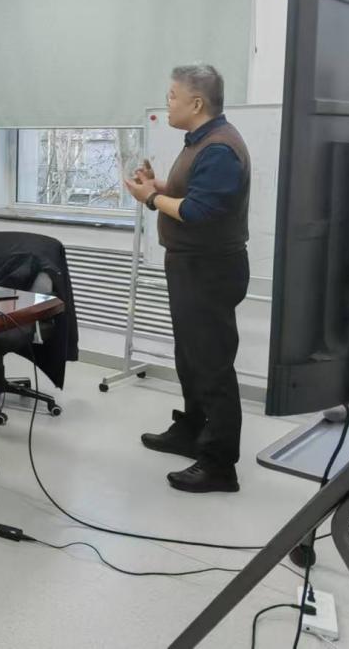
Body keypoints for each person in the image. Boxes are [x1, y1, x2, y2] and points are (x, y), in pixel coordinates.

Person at [128, 64, 251, 494]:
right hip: (191, 266)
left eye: (173, 96)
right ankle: (192, 430)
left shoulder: (219, 149)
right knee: (191, 357)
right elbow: (195, 194)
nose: (168, 103)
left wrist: (151, 198)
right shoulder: (201, 142)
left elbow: (198, 212)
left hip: (209, 270)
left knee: (212, 365)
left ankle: (220, 464)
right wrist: (157, 186)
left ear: (196, 103)